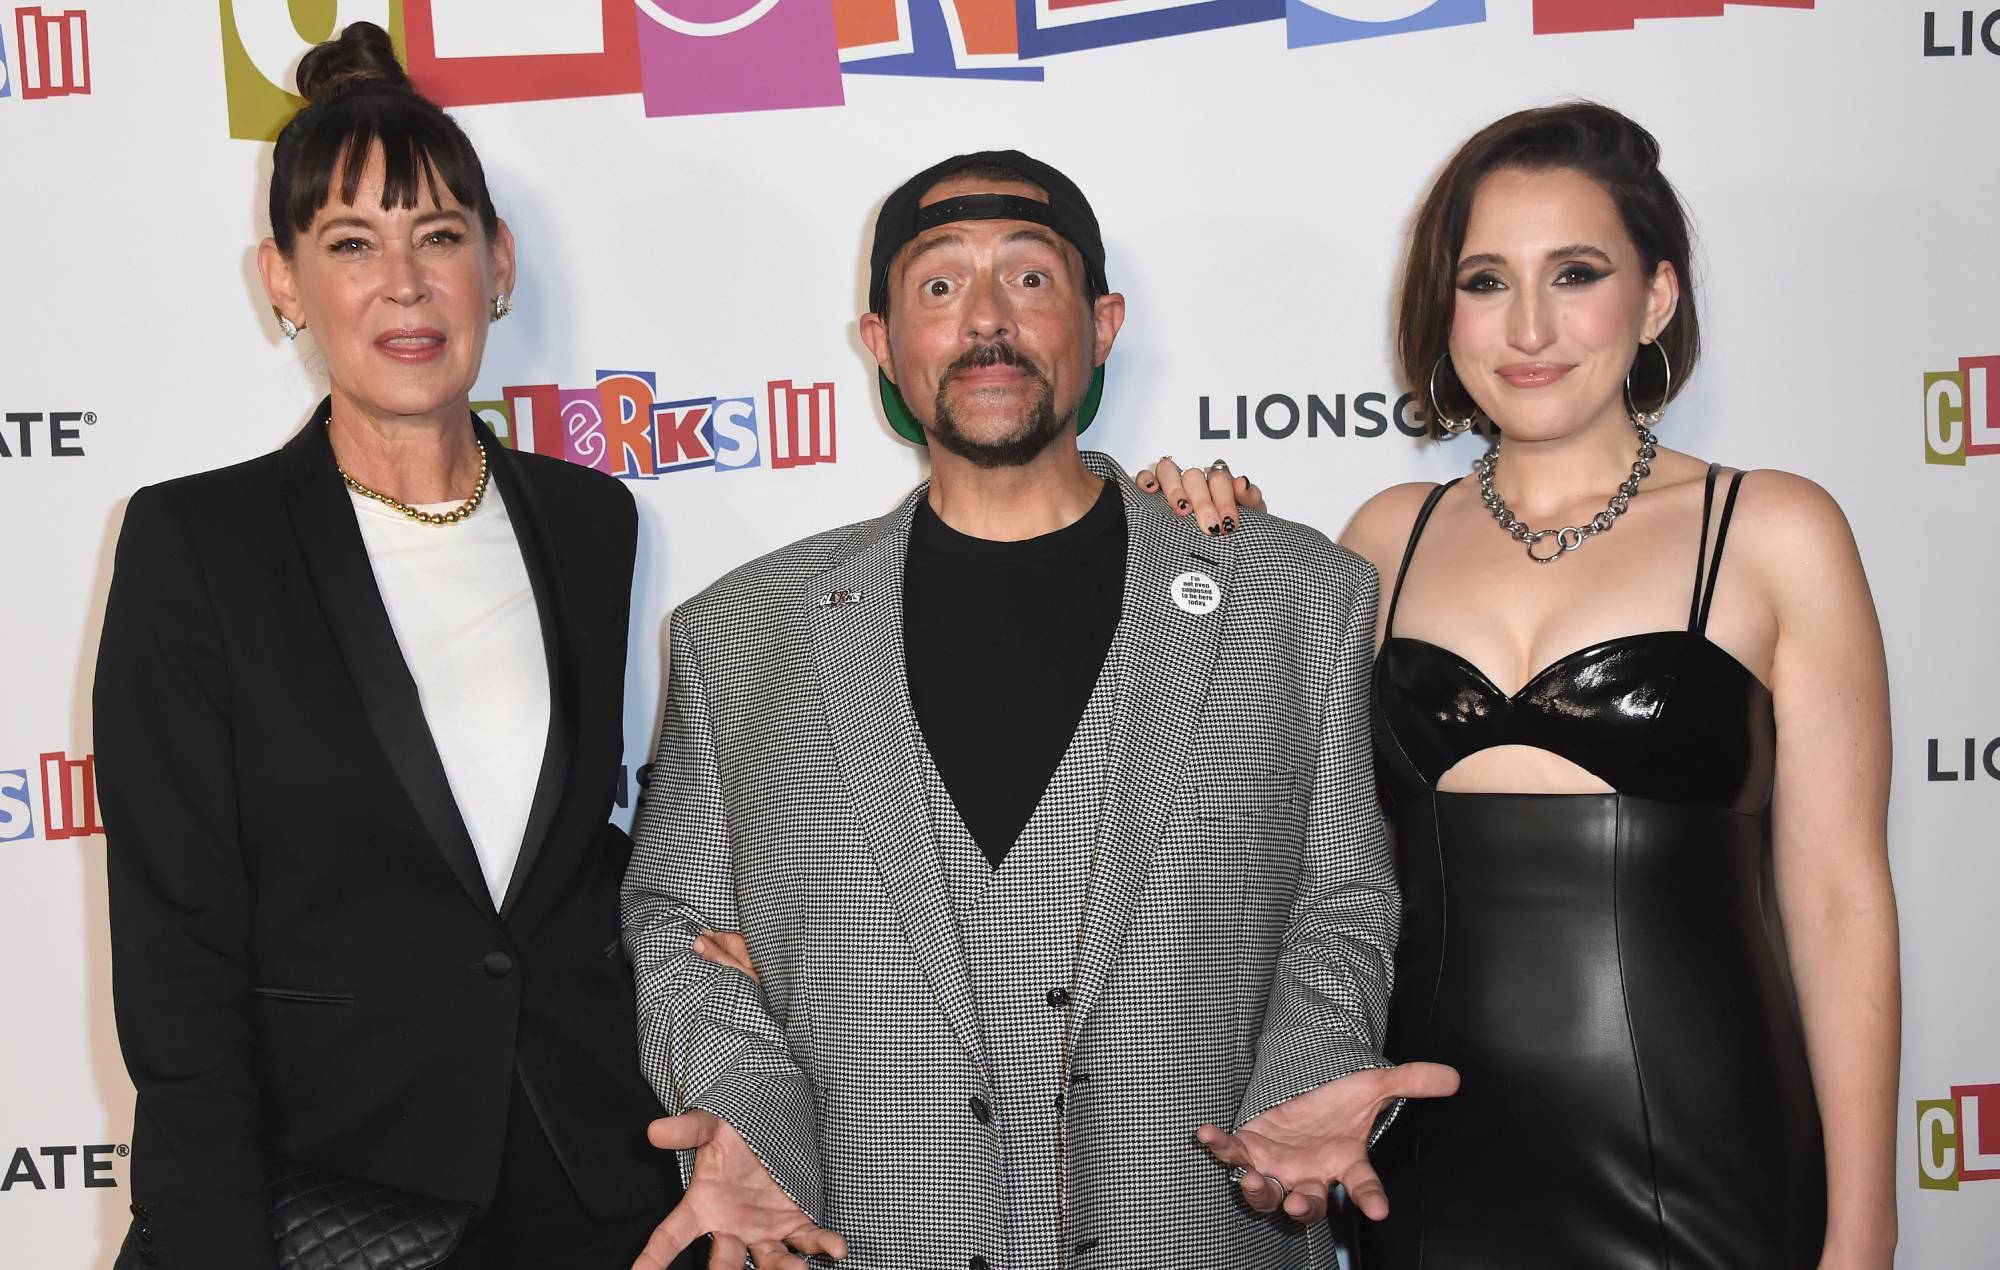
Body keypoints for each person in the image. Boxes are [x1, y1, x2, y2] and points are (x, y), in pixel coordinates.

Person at [618, 150, 1455, 1270]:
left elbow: (1340, 898)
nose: (983, 321)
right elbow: (675, 925)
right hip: (866, 1236)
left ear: (1101, 323)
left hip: (1197, 1232)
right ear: (879, 342)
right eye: (936, 286)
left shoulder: (1294, 597)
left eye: (1027, 279)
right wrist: (748, 1112)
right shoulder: (737, 634)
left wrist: (1306, 1073)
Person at [1144, 102, 1899, 1268]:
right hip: (1424, 1172)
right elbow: (1310, 849)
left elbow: (1840, 905)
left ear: (1653, 298)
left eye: (1575, 273)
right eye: (1485, 280)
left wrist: (1861, 1232)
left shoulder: (1769, 532)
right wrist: (1174, 541)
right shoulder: (1382, 539)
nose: (1528, 326)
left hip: (1704, 1165)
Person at [94, 24, 692, 1270]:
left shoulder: (592, 522)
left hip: (594, 1180)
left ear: (498, 263)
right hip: (337, 1188)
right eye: (350, 245)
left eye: (438, 238)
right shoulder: (196, 543)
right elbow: (177, 949)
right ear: (281, 279)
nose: (405, 285)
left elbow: (570, 850)